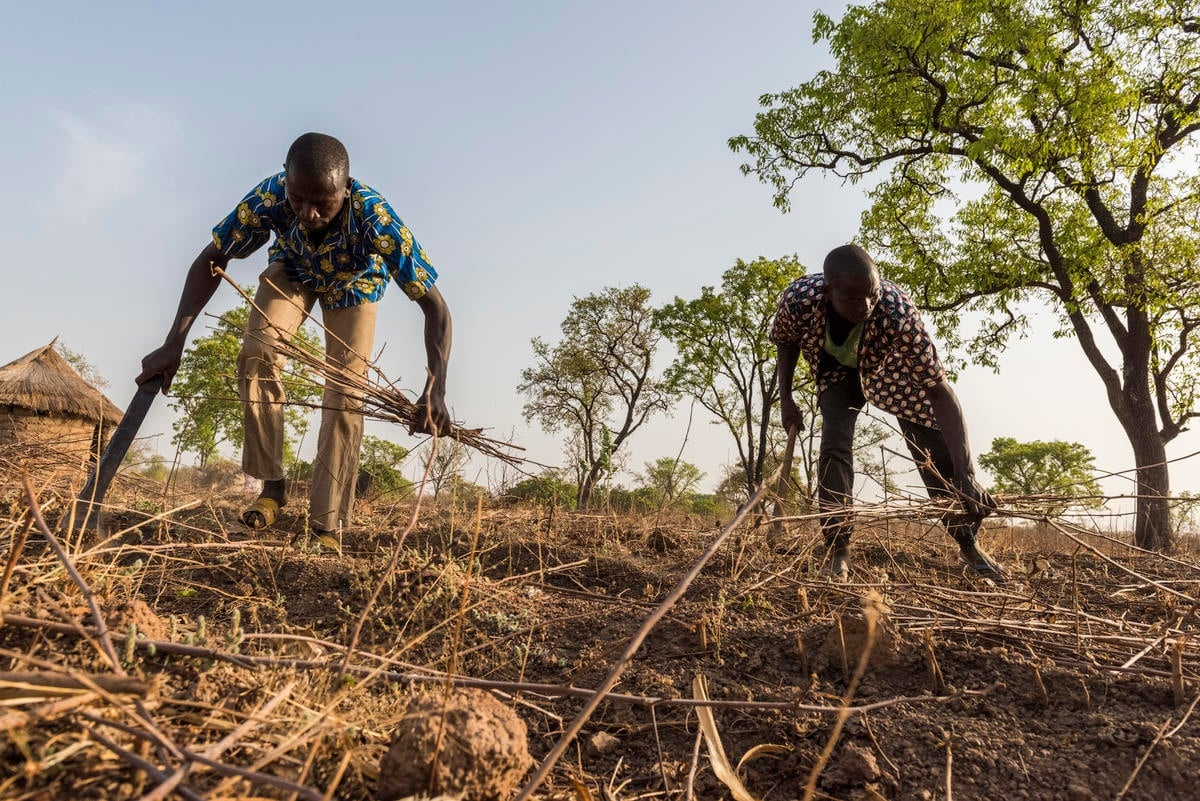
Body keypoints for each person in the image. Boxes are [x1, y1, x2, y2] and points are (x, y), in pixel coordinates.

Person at [138, 132, 451, 539]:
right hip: (293, 270)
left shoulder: (378, 218)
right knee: (257, 352)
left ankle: (327, 525)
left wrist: (436, 389)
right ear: (286, 182)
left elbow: (437, 308)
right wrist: (173, 344)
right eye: (299, 199)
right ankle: (272, 487)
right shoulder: (269, 198)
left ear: (346, 188)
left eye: (324, 203)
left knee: (345, 393)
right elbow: (211, 259)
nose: (309, 213)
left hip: (353, 287)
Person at [772, 244, 1002, 578]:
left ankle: (968, 546)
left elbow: (939, 391)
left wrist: (966, 472)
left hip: (893, 373)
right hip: (836, 374)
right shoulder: (800, 300)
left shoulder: (898, 312)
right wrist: (786, 398)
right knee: (834, 447)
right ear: (828, 290)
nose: (866, 306)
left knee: (936, 455)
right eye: (853, 299)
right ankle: (838, 549)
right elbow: (785, 340)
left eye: (871, 295)